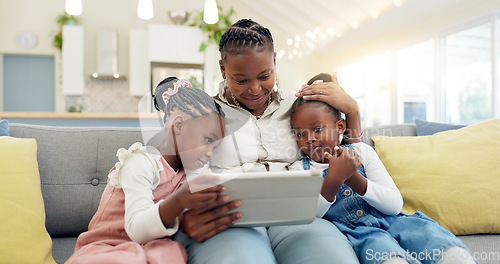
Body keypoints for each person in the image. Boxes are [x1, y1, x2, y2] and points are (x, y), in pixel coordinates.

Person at [172, 19, 363, 264]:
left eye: (265, 76)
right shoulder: (202, 113)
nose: (255, 89)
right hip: (231, 218)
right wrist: (183, 217)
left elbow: (345, 153)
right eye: (241, 80)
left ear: (275, 61)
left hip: (297, 215)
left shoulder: (299, 106)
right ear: (222, 69)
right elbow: (174, 173)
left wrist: (353, 112)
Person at [289, 74, 478, 264]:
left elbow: (395, 205)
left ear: (340, 127)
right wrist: (333, 180)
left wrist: (356, 180)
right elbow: (308, 214)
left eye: (318, 129)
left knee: (446, 250)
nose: (309, 138)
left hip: (397, 222)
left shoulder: (361, 152)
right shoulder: (299, 169)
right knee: (388, 258)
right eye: (300, 133)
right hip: (362, 235)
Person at [66, 77, 230, 264]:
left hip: (151, 245)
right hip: (109, 245)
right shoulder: (140, 162)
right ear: (178, 126)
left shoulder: (187, 172)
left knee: (171, 253)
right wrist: (178, 201)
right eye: (208, 141)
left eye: (215, 148)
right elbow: (136, 228)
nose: (210, 154)